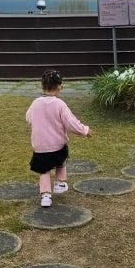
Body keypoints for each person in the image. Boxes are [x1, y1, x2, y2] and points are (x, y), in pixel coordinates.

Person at [26, 69, 91, 208]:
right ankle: (60, 183)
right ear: (59, 86)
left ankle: (45, 196)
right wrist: (84, 130)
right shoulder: (60, 104)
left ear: (42, 85)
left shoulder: (35, 103)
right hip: (57, 145)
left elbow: (28, 117)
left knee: (44, 170)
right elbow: (71, 122)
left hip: (40, 146)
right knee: (61, 161)